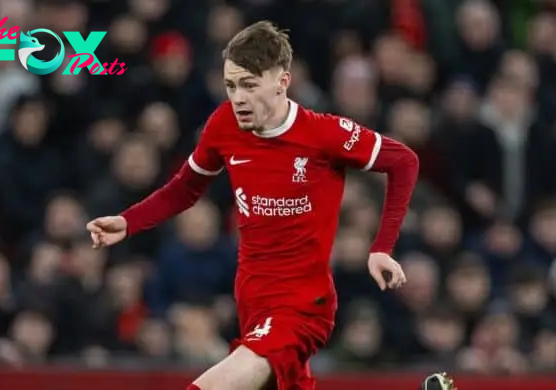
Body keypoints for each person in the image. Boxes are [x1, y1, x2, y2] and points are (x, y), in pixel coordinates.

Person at [87, 21, 419, 390]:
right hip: (252, 301)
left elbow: (403, 161)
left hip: (301, 307)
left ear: (282, 81)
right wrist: (128, 221)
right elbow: (184, 189)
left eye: (249, 84)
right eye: (231, 86)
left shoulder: (323, 134)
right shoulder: (224, 125)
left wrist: (381, 248)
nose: (238, 98)